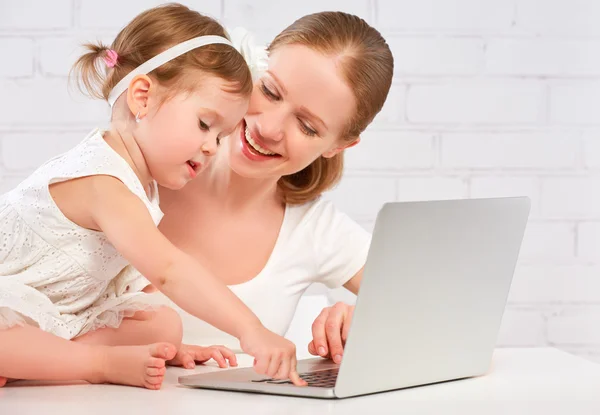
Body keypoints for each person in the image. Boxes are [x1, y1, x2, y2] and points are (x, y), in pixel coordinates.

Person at [0, 3, 307, 390]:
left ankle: (38, 359)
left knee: (164, 323)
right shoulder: (103, 181)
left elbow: (136, 284)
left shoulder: (141, 185)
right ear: (142, 97)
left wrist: (175, 347)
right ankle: (95, 362)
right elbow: (169, 269)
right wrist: (251, 329)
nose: (212, 147)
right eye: (204, 124)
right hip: (9, 298)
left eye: (221, 136)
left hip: (60, 309)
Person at [145, 11, 395, 370]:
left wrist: (366, 317)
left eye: (307, 126)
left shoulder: (315, 230)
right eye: (269, 90)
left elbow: (440, 308)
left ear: (338, 146)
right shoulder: (141, 169)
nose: (269, 128)